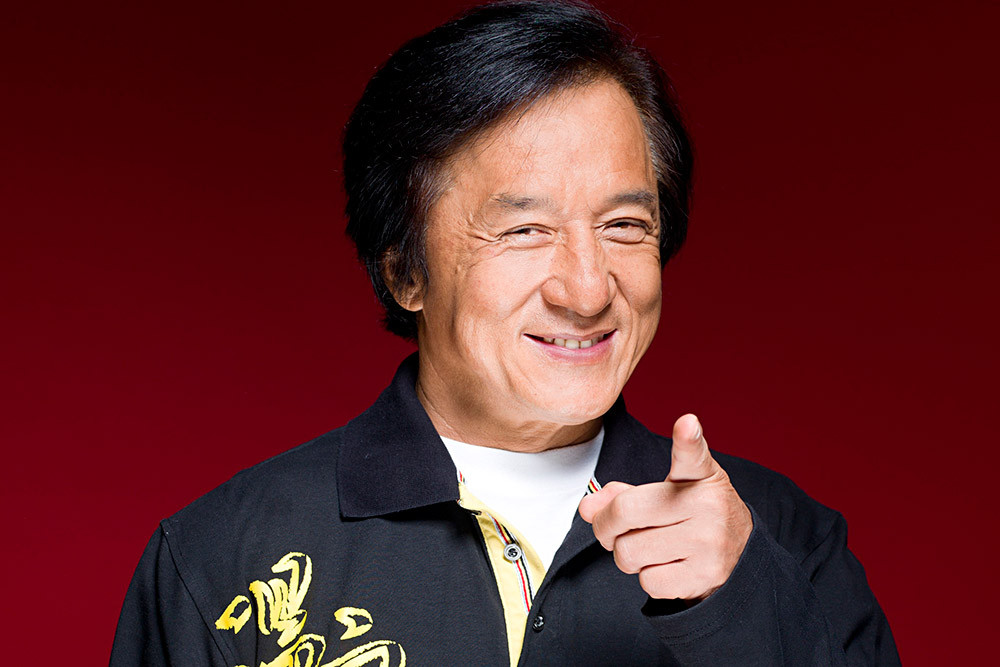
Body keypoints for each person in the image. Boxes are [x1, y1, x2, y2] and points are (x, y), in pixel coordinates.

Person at [110, 2, 899, 665]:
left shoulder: (783, 539)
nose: (588, 289)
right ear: (405, 272)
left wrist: (744, 605)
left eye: (625, 225)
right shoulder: (221, 557)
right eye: (524, 231)